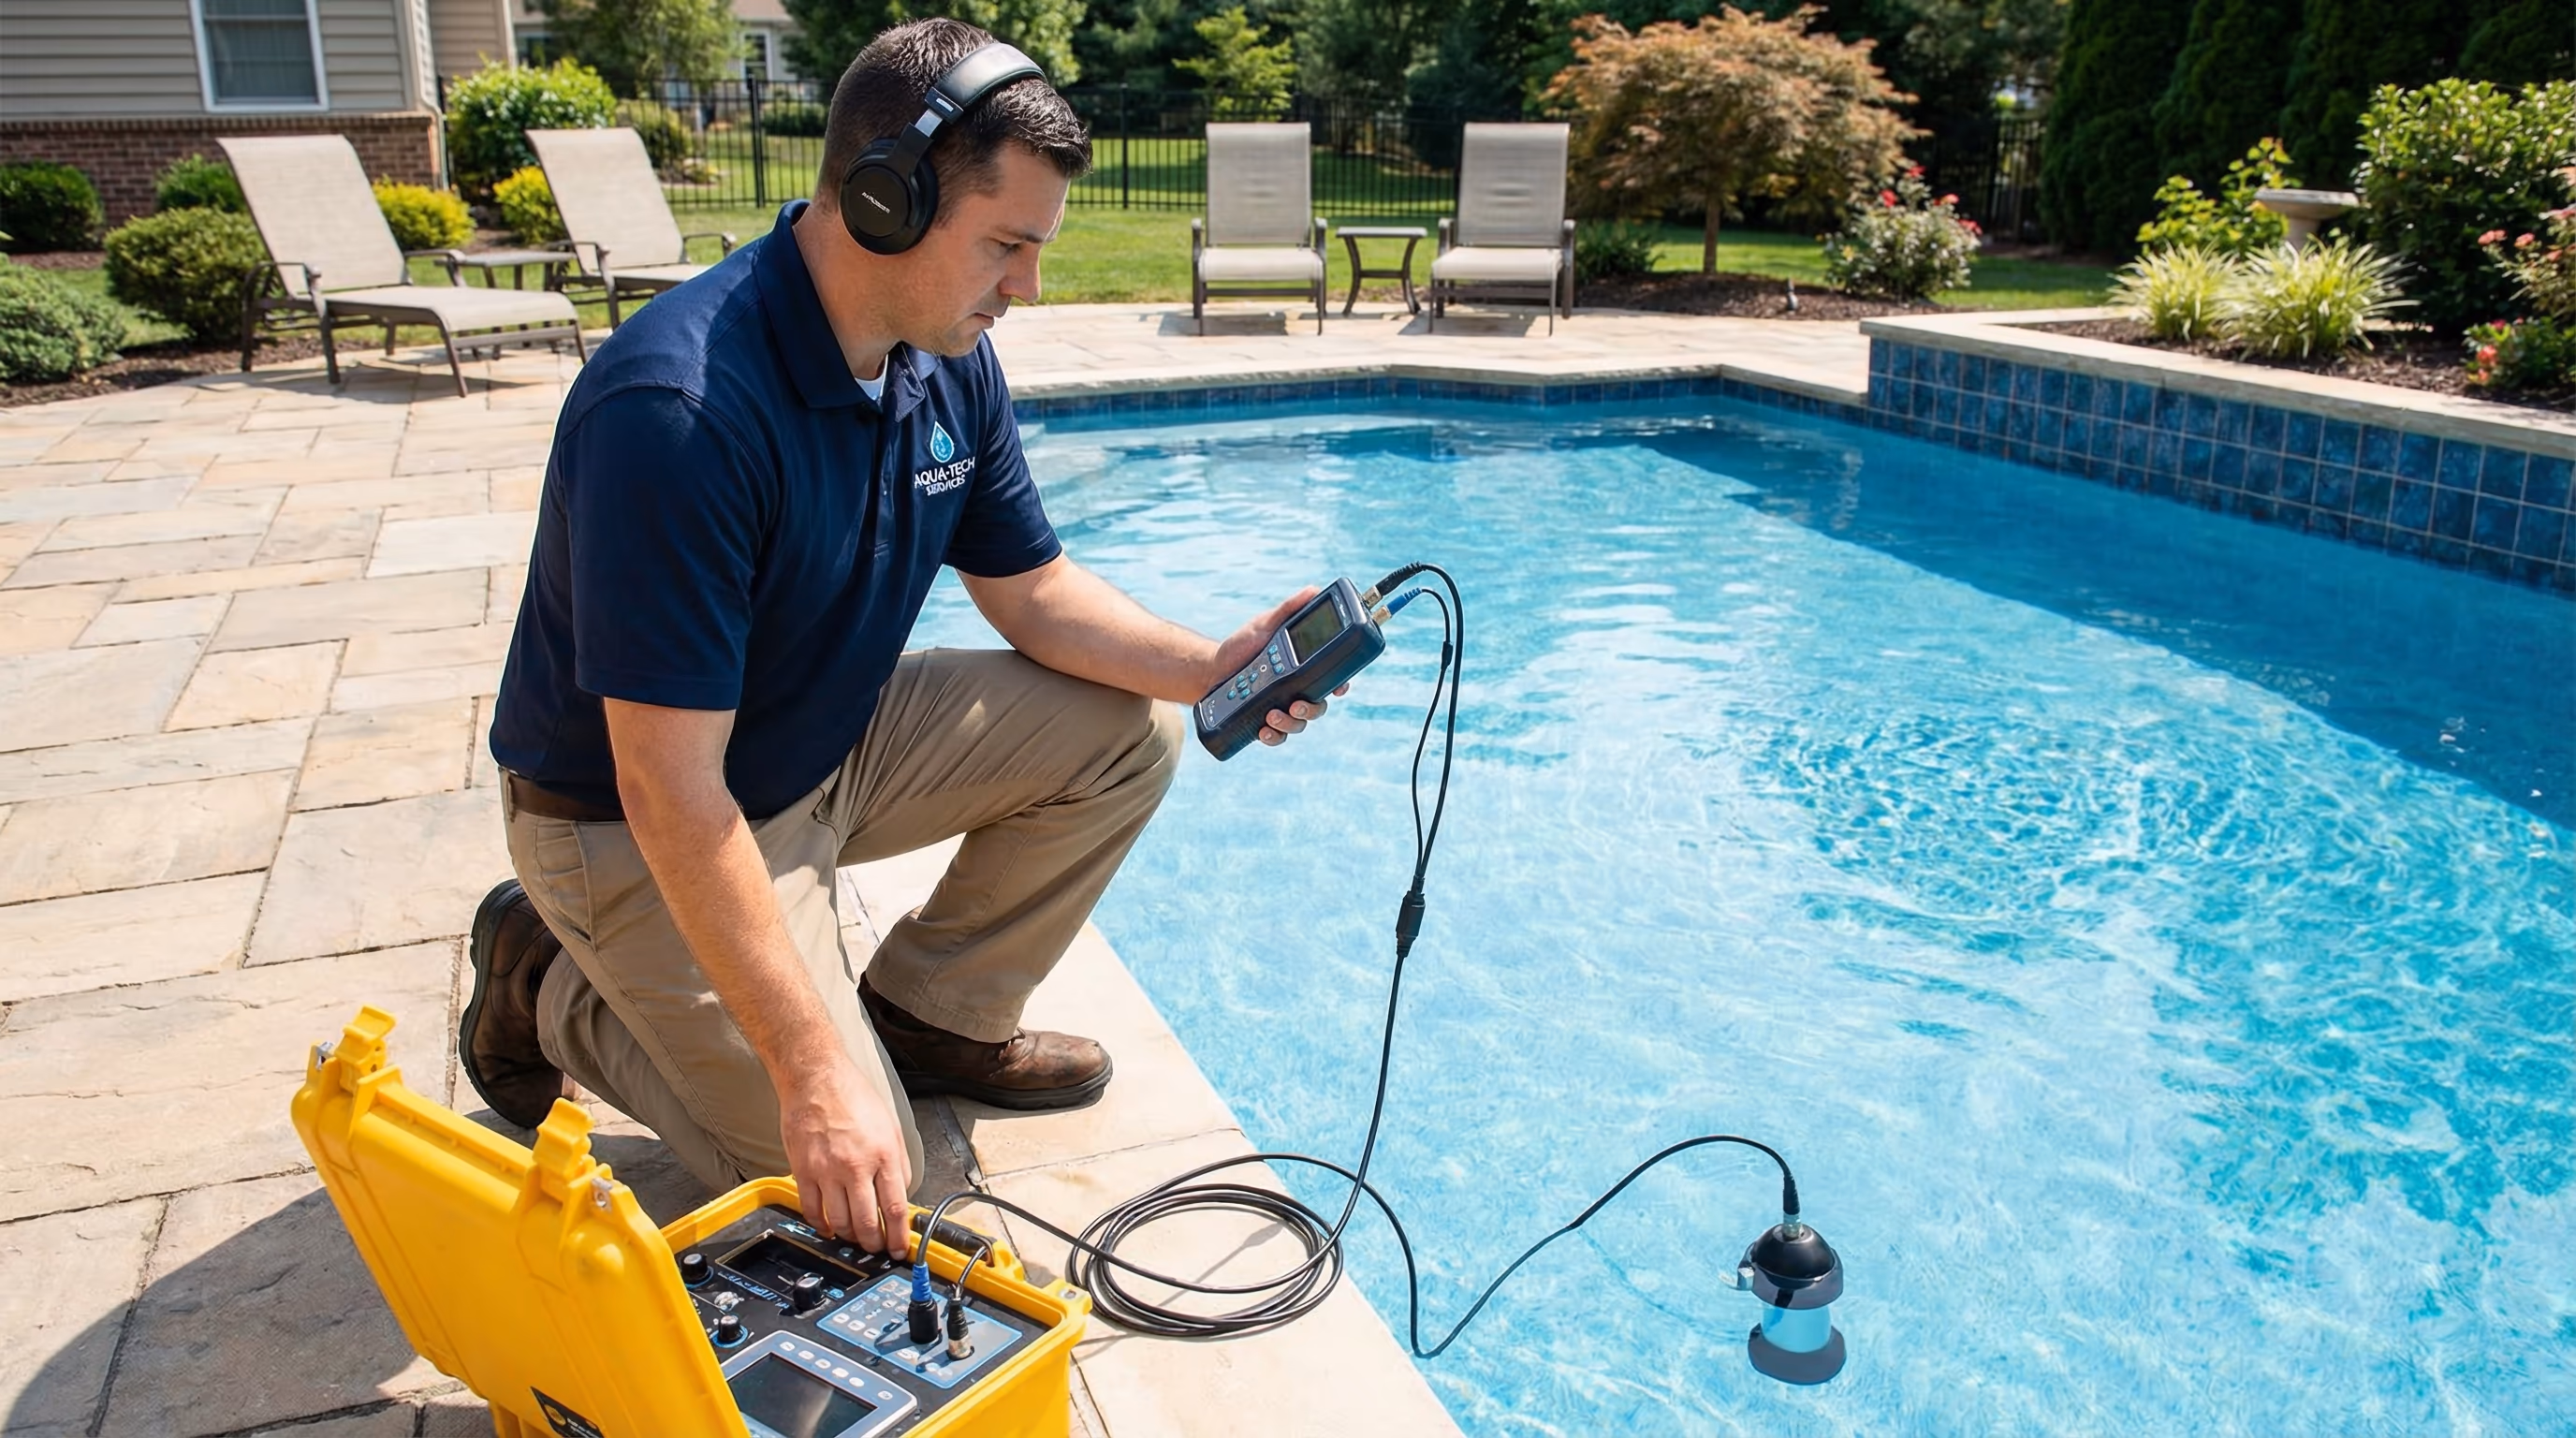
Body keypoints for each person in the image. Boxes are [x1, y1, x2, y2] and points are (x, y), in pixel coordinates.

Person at [462, 17, 1335, 1261]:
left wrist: (1209, 667)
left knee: (1128, 733)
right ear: (884, 200)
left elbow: (1030, 594)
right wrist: (811, 1066)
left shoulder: (941, 356)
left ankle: (930, 1017)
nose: (1027, 288)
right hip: (634, 830)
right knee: (869, 1178)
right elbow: (668, 793)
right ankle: (549, 985)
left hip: (822, 748)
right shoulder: (679, 413)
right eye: (1008, 247)